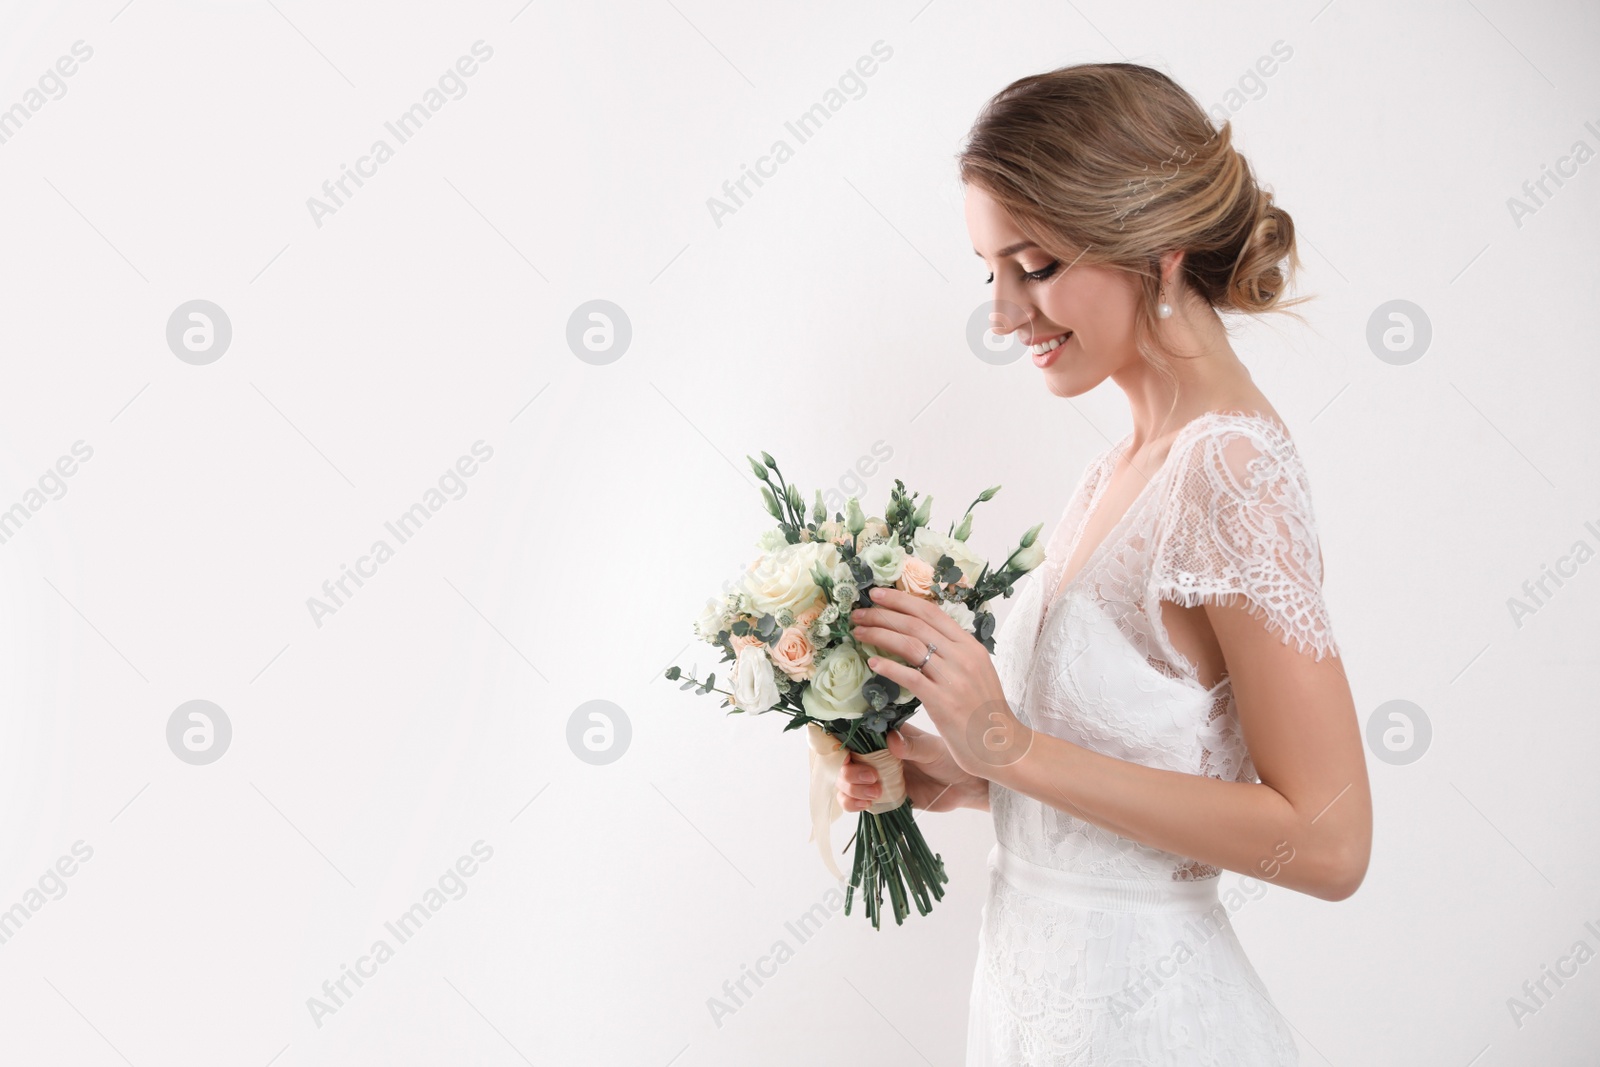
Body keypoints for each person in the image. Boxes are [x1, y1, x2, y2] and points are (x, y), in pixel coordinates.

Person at [836, 61, 1371, 1064]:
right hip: (1032, 1007)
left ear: (1154, 250)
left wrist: (1012, 748)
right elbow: (1157, 759)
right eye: (988, 273)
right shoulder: (1116, 467)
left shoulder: (1229, 468)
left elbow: (1330, 841)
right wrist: (973, 776)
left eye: (1032, 266)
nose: (1001, 316)